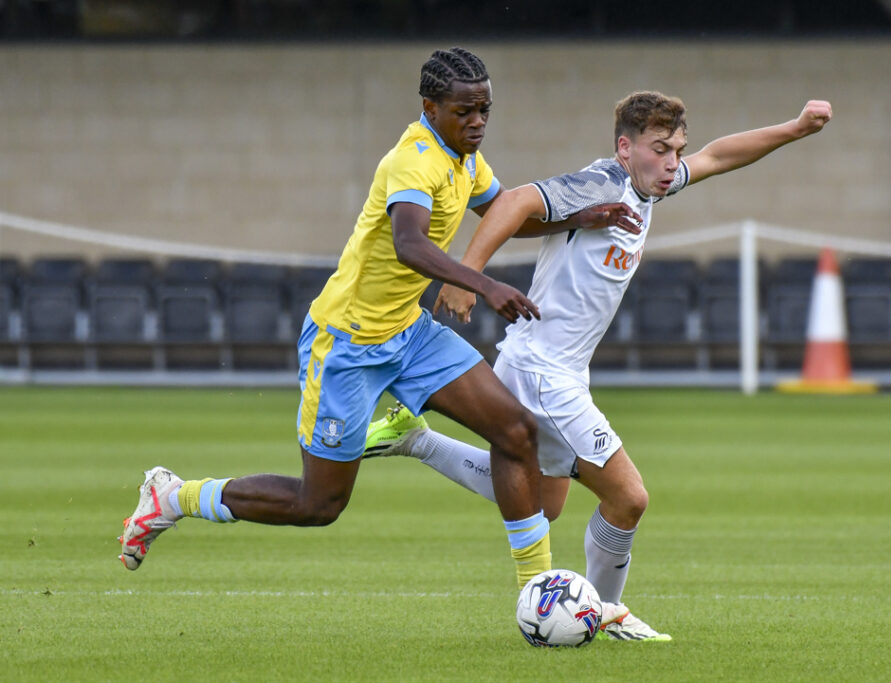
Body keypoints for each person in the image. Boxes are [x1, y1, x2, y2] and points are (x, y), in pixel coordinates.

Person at [118, 47, 641, 593]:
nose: (478, 122)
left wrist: (578, 218)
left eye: (485, 109)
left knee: (515, 431)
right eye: (465, 111)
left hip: (408, 334)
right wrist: (480, 283)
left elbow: (501, 211)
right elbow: (409, 242)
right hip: (346, 344)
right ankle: (174, 497)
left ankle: (538, 592)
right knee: (318, 504)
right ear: (430, 107)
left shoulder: (465, 157)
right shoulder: (414, 159)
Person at [362, 91, 833, 640]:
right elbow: (514, 202)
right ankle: (606, 612)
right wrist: (466, 278)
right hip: (544, 372)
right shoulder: (600, 183)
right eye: (661, 149)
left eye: (677, 149)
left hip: (553, 366)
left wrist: (795, 128)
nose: (674, 162)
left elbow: (719, 156)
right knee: (629, 497)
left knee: (539, 502)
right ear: (625, 147)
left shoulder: (651, 183)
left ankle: (414, 439)